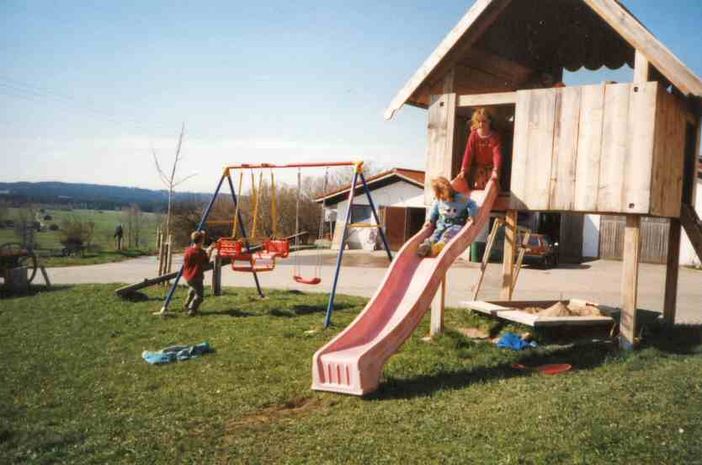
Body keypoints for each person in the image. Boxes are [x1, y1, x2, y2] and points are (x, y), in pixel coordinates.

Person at [417, 176, 478, 257]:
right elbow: (433, 211)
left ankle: (437, 247)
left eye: (443, 196)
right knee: (435, 235)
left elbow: (472, 204)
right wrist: (429, 220)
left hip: (456, 225)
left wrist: (471, 215)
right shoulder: (438, 200)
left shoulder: (460, 199)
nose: (443, 198)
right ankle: (426, 246)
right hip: (441, 225)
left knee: (448, 235)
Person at [458, 107, 503, 191]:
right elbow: (469, 152)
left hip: (492, 168)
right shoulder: (474, 135)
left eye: (484, 121)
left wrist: (496, 169)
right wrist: (464, 169)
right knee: (478, 188)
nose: (481, 124)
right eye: (479, 121)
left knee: (492, 187)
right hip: (480, 167)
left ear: (489, 121)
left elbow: (497, 154)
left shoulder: (494, 136)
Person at [182, 231, 215, 316]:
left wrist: (201, 235)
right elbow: (206, 262)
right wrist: (210, 250)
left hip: (187, 276)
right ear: (201, 241)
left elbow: (196, 252)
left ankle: (186, 304)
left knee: (192, 290)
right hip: (196, 276)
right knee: (200, 296)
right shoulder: (200, 253)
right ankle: (191, 309)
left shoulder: (188, 250)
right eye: (203, 240)